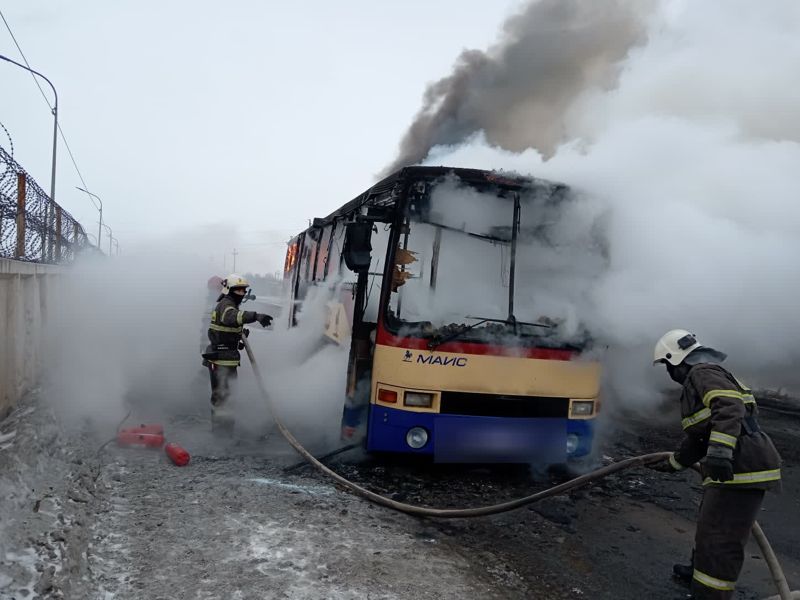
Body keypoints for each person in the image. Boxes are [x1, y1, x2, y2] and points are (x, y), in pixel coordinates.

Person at [651, 329, 782, 599]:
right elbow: (700, 437)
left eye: (666, 365)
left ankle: (710, 593)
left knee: (721, 538)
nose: (668, 373)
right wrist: (673, 463)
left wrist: (721, 451)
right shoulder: (704, 376)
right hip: (735, 464)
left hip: (741, 465)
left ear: (675, 359)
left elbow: (730, 407)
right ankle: (698, 570)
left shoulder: (700, 373)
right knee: (711, 526)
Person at [202, 273, 272, 434]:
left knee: (227, 396)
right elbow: (231, 317)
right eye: (238, 290)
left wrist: (236, 336)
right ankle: (222, 436)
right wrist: (256, 316)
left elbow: (225, 327)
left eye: (243, 290)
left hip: (226, 358)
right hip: (222, 360)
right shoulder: (227, 304)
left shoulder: (228, 303)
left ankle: (224, 432)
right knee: (223, 398)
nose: (242, 293)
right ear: (229, 290)